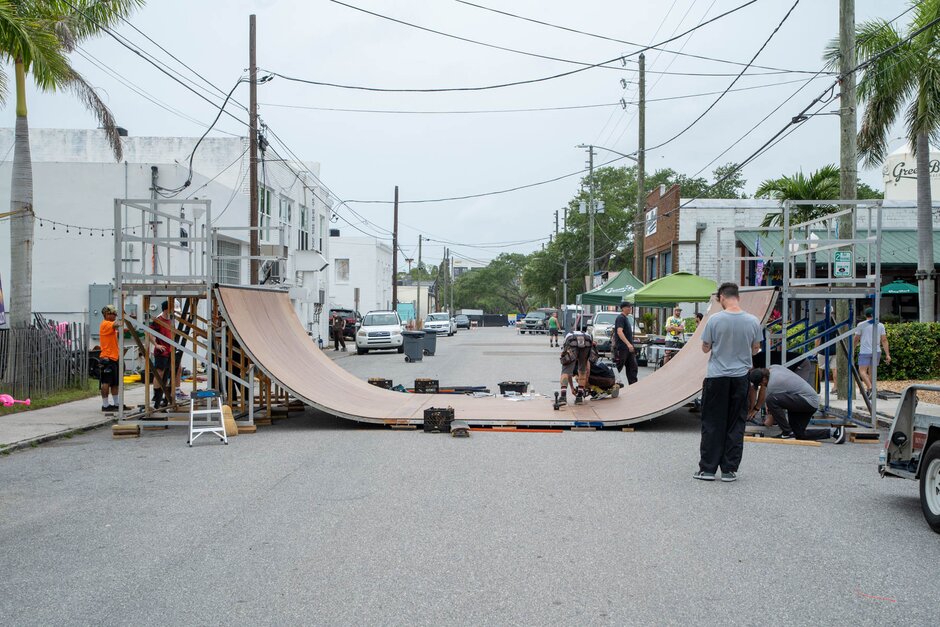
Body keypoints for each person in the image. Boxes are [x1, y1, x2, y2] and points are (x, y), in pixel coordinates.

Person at [694, 282, 762, 483]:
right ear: (737, 297)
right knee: (735, 423)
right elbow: (756, 349)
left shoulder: (714, 320)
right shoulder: (753, 321)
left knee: (713, 423)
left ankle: (707, 469)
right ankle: (729, 470)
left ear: (722, 297)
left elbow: (705, 348)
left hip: (717, 377)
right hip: (740, 378)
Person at [747, 366, 846, 443]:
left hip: (807, 402)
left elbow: (772, 406)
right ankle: (835, 432)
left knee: (771, 400)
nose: (761, 386)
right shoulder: (773, 368)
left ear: (764, 379)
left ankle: (787, 432)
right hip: (805, 401)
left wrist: (768, 422)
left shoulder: (773, 384)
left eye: (760, 384)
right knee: (799, 434)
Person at [854, 307, 891, 400]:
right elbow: (884, 340)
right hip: (877, 351)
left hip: (865, 351)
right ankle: (870, 390)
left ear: (866, 315)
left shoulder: (861, 324)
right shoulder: (880, 325)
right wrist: (887, 354)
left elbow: (856, 339)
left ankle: (870, 388)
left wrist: (852, 349)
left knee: (862, 371)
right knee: (872, 372)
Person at [98, 305, 124, 412]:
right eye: (114, 314)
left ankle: (116, 403)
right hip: (107, 357)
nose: (115, 316)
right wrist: (123, 317)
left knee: (114, 383)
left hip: (113, 357)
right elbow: (117, 324)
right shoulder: (105, 324)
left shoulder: (110, 325)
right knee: (106, 382)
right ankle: (105, 405)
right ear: (107, 314)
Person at [558, 330, 596, 405]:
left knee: (565, 371)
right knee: (582, 370)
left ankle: (563, 397)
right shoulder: (587, 336)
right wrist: (584, 385)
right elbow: (587, 369)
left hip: (571, 341)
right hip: (587, 342)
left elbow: (568, 373)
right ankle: (579, 397)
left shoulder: (567, 338)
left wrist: (572, 388)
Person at [612, 301, 638, 386]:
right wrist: (628, 344)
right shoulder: (621, 318)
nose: (630, 308)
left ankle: (633, 385)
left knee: (632, 367)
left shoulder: (626, 318)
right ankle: (609, 381)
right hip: (622, 347)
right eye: (628, 307)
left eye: (630, 307)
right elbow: (619, 332)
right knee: (618, 366)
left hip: (628, 348)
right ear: (623, 308)